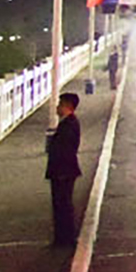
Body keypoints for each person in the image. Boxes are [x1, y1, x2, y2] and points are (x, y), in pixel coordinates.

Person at [45, 91, 84, 248]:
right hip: (62, 170)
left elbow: (65, 150)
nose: (57, 107)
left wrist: (61, 171)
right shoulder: (67, 123)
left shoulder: (69, 125)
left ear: (67, 106)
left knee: (63, 205)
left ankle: (65, 238)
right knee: (61, 204)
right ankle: (62, 237)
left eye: (60, 104)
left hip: (63, 171)